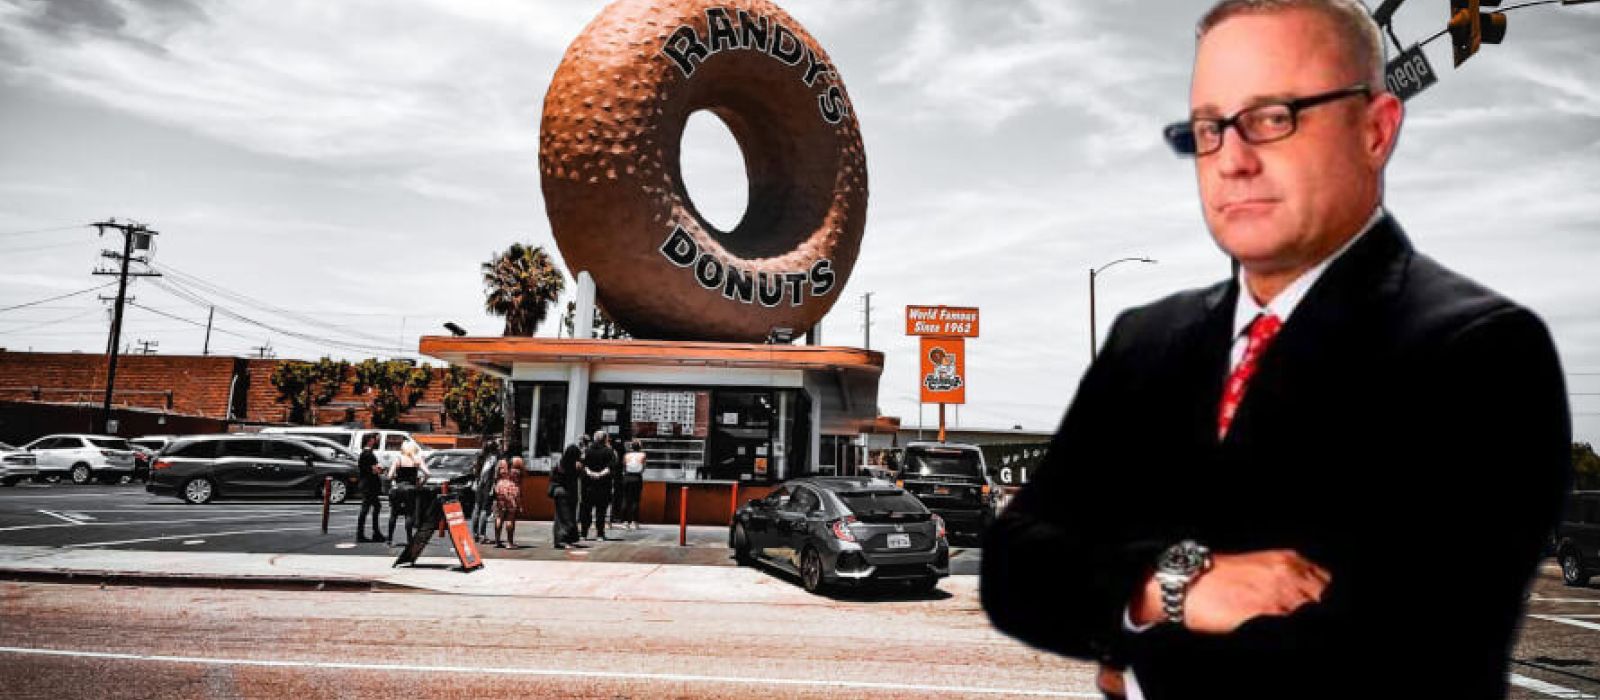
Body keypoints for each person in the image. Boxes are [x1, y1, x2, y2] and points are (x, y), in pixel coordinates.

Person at [979, 3, 1571, 699]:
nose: (1232, 159)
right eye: (1209, 128)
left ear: (1376, 130)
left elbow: (1395, 655)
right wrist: (1172, 586)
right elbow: (1014, 569)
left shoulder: (1482, 352)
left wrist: (1129, 650)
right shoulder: (1147, 341)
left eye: (1274, 117)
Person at [384, 441, 431, 546]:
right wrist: (421, 484)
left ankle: (389, 539)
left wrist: (394, 479)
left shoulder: (399, 459)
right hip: (411, 489)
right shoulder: (417, 460)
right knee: (409, 514)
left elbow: (389, 476)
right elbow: (428, 473)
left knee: (394, 514)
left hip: (398, 488)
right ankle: (409, 539)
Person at [550, 434, 588, 548]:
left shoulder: (560, 464)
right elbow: (581, 475)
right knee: (567, 516)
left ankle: (563, 539)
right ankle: (563, 540)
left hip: (559, 491)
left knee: (561, 517)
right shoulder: (572, 466)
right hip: (567, 492)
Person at [579, 430, 617, 540]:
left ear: (594, 438)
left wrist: (591, 473)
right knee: (601, 510)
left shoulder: (587, 450)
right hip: (603, 485)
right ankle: (600, 534)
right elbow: (611, 467)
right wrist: (600, 474)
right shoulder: (610, 451)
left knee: (586, 509)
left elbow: (583, 465)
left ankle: (583, 534)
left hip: (588, 485)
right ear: (605, 439)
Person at [354, 434, 383, 542]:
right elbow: (373, 469)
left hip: (367, 484)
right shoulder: (368, 454)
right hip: (369, 485)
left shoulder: (365, 453)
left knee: (375, 507)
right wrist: (380, 469)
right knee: (366, 508)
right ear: (369, 441)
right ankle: (362, 534)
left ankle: (375, 532)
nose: (374, 441)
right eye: (373, 440)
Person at [472, 439, 501, 544]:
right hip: (487, 486)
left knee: (476, 509)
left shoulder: (480, 457)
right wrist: (493, 487)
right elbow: (495, 475)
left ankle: (474, 534)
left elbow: (475, 471)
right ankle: (482, 535)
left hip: (479, 485)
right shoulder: (494, 459)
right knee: (484, 510)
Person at [493, 456, 524, 548]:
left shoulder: (501, 462)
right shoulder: (517, 461)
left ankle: (497, 541)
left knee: (499, 516)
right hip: (512, 488)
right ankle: (510, 543)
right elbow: (522, 475)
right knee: (510, 518)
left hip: (500, 487)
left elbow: (495, 475)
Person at [618, 439, 646, 530]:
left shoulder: (627, 455)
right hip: (637, 477)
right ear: (639, 447)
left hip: (627, 477)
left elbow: (624, 467)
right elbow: (643, 468)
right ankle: (634, 522)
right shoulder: (643, 455)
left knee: (625, 499)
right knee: (636, 500)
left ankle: (625, 522)